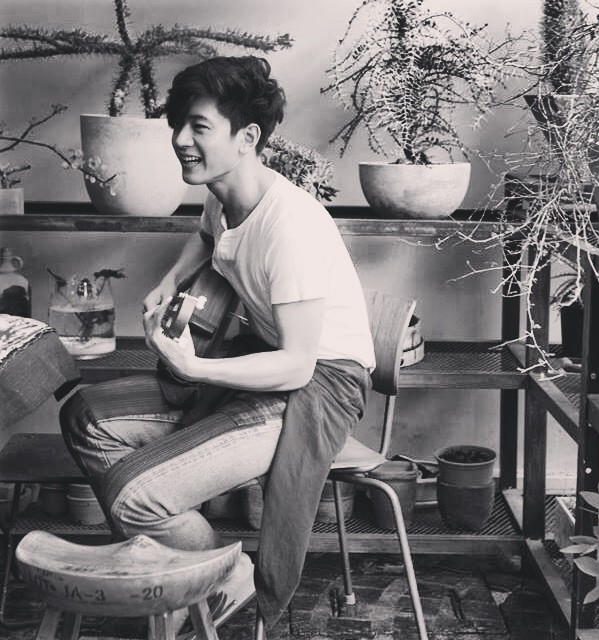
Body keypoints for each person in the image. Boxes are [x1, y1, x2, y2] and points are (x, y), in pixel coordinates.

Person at [60, 55, 375, 632]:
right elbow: (209, 236)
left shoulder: (291, 227)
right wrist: (171, 279)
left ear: (247, 138)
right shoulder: (223, 193)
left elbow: (298, 366)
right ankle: (186, 579)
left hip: (317, 384)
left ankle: (224, 577)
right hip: (262, 361)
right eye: (178, 124)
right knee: (84, 416)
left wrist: (195, 368)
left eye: (199, 126)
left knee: (134, 499)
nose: (181, 139)